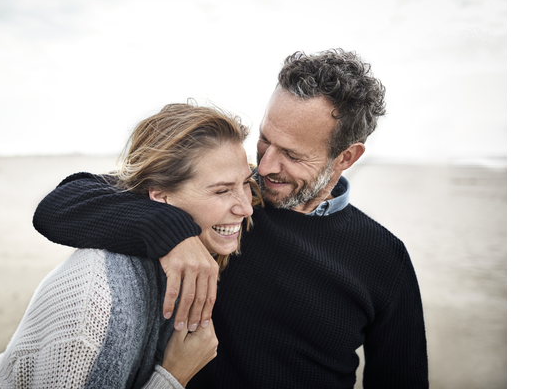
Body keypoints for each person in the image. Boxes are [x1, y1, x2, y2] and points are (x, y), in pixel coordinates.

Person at [33, 49, 429, 388]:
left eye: (292, 154)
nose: (266, 165)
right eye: (265, 139)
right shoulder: (227, 200)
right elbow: (62, 204)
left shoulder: (386, 259)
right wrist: (172, 233)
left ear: (347, 157)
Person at [0, 103, 259, 388]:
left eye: (246, 182)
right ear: (160, 197)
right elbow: (60, 202)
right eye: (222, 190)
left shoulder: (254, 208)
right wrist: (173, 376)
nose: (247, 207)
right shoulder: (95, 307)